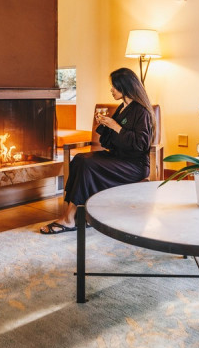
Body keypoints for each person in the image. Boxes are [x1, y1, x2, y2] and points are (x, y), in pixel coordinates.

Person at [40, 67, 155, 234]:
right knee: (79, 158)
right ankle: (79, 214)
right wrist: (105, 125)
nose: (111, 90)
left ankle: (69, 218)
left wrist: (115, 126)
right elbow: (109, 142)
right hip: (118, 157)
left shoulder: (141, 111)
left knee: (87, 163)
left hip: (134, 165)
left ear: (125, 87)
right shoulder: (122, 108)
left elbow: (141, 144)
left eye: (114, 86)